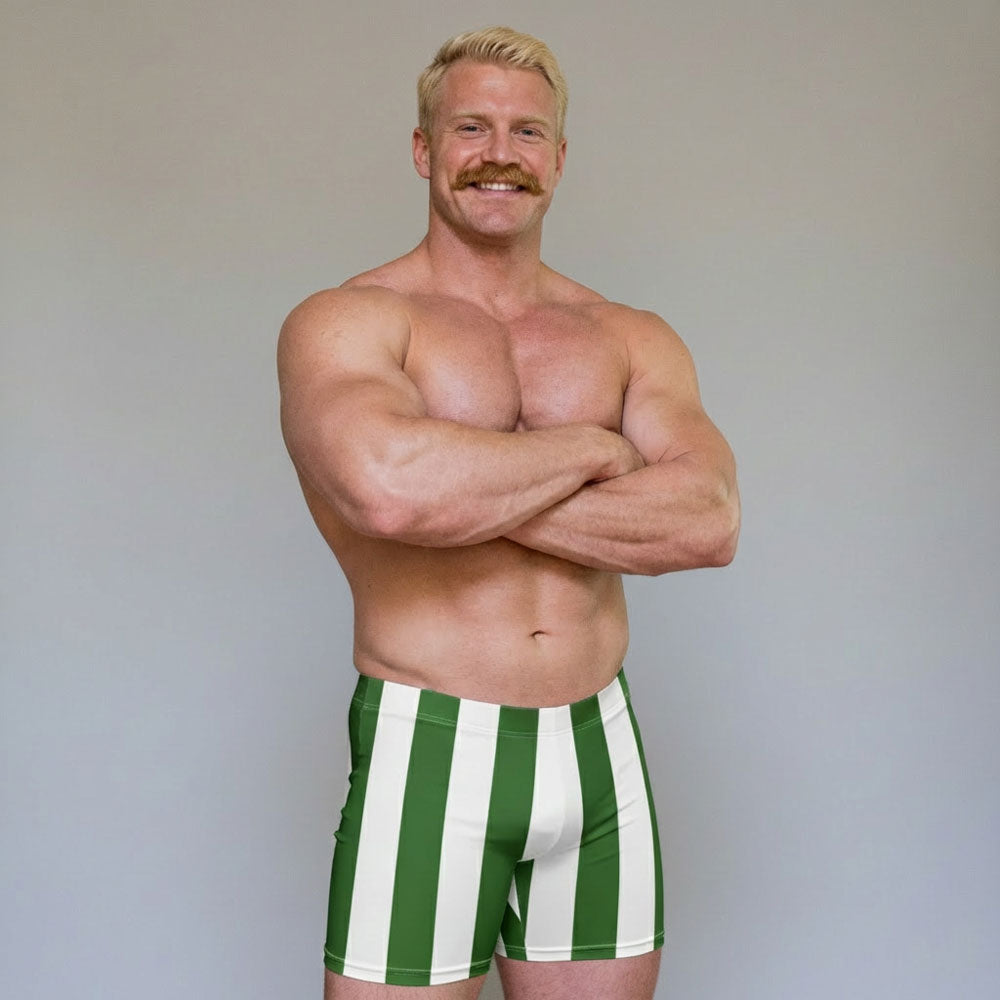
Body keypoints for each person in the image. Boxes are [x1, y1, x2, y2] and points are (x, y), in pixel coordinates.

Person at [277, 25, 739, 1000]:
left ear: (559, 159)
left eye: (527, 132)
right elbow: (386, 489)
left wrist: (459, 486)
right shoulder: (349, 320)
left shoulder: (628, 333)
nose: (500, 153)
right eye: (470, 127)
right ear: (423, 149)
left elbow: (706, 521)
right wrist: (595, 451)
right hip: (430, 746)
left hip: (599, 745)